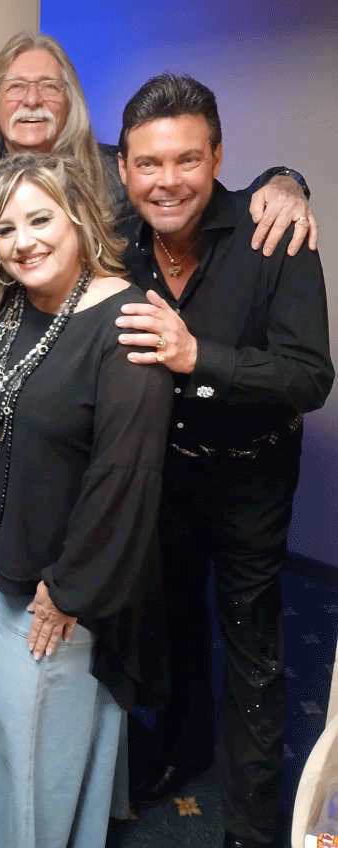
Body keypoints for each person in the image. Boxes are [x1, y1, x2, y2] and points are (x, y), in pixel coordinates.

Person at [0, 152, 173, 848]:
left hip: (56, 588)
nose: (22, 240)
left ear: (80, 217)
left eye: (38, 219)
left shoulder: (129, 323)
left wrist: (69, 589)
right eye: (4, 229)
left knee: (20, 744)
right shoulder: (7, 306)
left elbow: (127, 478)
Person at [114, 73, 333, 848]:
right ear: (123, 168)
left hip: (252, 477)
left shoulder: (276, 234)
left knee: (251, 644)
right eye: (148, 163)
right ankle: (180, 755)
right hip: (163, 475)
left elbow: (310, 377)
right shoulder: (117, 241)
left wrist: (196, 355)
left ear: (217, 158)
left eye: (186, 160)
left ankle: (247, 822)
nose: (167, 181)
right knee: (168, 626)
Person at [0, 32, 317, 259]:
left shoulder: (115, 171)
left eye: (49, 87)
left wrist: (284, 181)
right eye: (15, 87)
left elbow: (203, 201)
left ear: (70, 103)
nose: (32, 100)